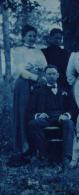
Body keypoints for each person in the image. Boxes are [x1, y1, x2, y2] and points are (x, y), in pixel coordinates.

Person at [12, 24, 47, 157]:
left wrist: (40, 75)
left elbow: (44, 67)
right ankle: (23, 145)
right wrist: (35, 76)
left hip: (37, 84)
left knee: (35, 112)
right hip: (23, 84)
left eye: (34, 36)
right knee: (23, 112)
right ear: (23, 37)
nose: (32, 38)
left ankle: (37, 146)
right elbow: (20, 70)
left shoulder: (39, 51)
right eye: (29, 36)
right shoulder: (18, 50)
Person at [28, 65, 74, 166]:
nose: (51, 76)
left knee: (69, 123)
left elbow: (72, 108)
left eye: (53, 74)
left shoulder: (64, 90)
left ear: (57, 75)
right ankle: (44, 155)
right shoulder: (38, 91)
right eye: (49, 74)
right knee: (33, 124)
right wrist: (39, 115)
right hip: (46, 118)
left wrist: (66, 115)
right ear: (45, 75)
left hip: (60, 117)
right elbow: (30, 110)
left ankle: (67, 157)